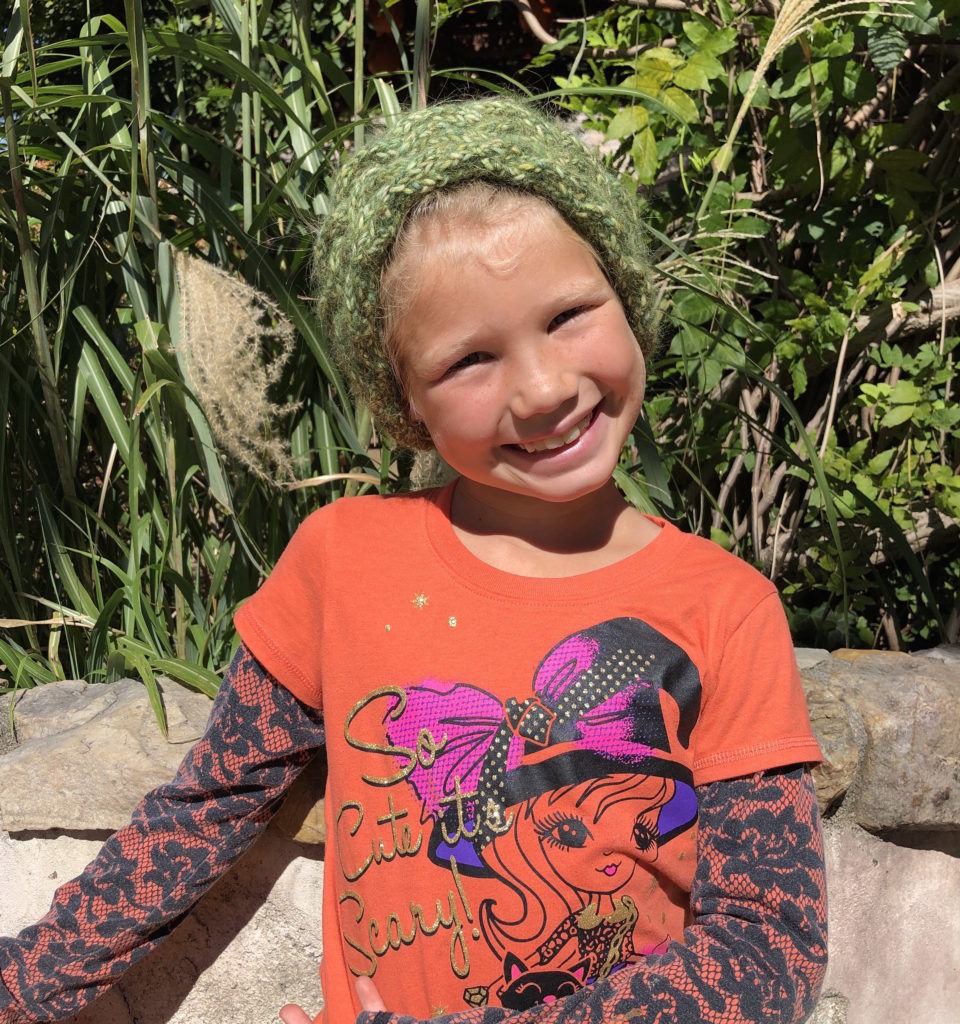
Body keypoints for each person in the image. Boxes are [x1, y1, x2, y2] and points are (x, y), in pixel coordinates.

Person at [0, 96, 827, 1024]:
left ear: (627, 300)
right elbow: (208, 809)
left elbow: (767, 947)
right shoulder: (344, 560)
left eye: (568, 315)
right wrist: (20, 985)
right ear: (406, 407)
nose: (545, 388)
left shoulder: (728, 606)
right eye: (470, 360)